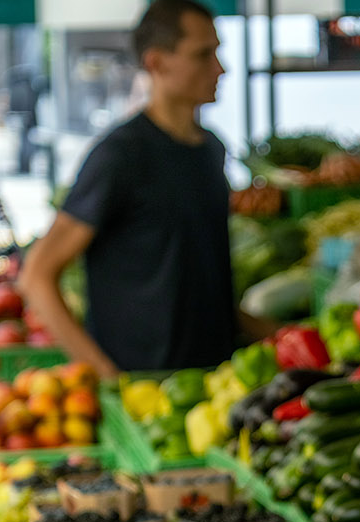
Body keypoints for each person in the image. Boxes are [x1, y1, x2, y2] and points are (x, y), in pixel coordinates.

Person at [18, 0, 235, 379]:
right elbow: (36, 275)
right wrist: (107, 376)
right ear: (156, 63)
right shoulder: (121, 156)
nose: (220, 68)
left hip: (214, 386)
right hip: (143, 392)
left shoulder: (211, 150)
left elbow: (202, 280)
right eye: (203, 55)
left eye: (217, 53)